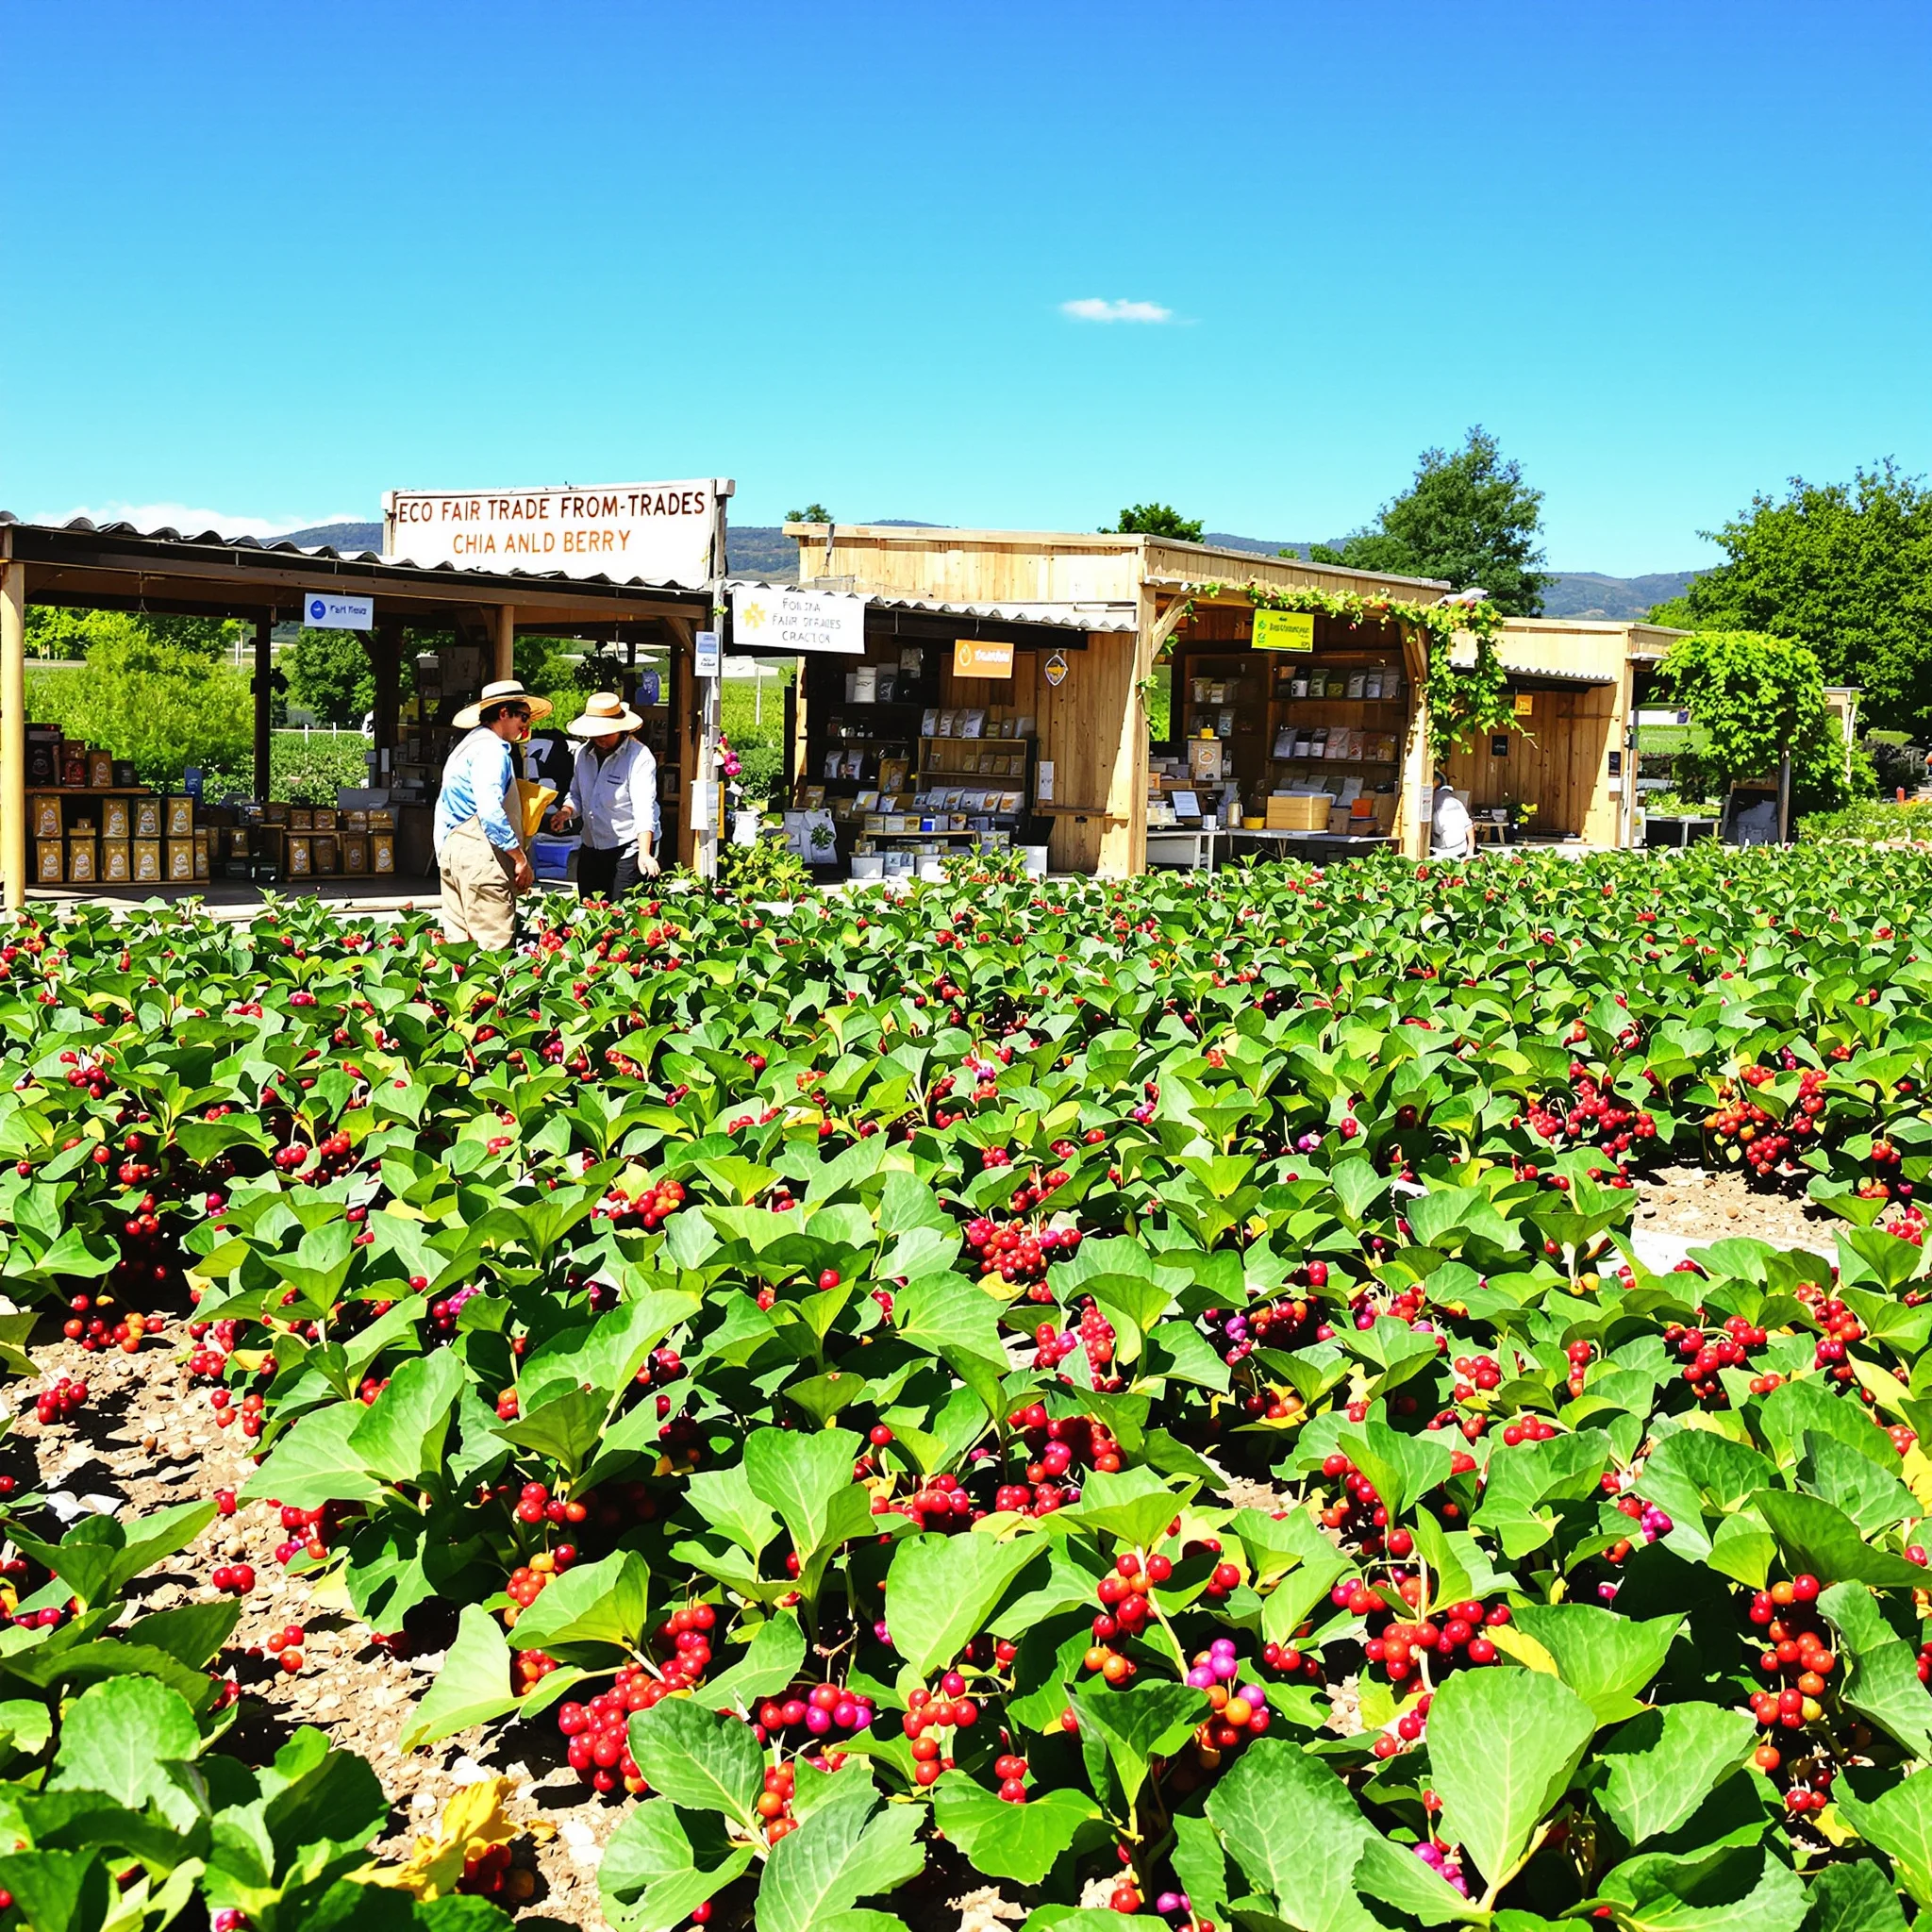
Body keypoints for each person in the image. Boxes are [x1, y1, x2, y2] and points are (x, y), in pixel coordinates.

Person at [434, 678, 551, 947]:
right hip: (483, 857)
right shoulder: (492, 751)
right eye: (523, 716)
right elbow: (489, 810)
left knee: (458, 949)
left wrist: (444, 855)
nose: (527, 724)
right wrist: (519, 858)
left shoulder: (466, 746)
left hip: (454, 852)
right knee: (493, 951)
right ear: (503, 713)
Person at [552, 691, 660, 899]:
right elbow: (576, 794)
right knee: (590, 908)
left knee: (623, 913)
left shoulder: (639, 757)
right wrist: (566, 812)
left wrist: (645, 854)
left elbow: (644, 809)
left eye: (606, 732)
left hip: (629, 845)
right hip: (592, 844)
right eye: (595, 732)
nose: (600, 737)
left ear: (621, 730)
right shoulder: (582, 754)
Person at [1430, 776, 1473, 858]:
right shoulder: (1457, 803)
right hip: (1456, 849)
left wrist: (1470, 849)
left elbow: (1468, 826)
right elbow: (1469, 826)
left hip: (1446, 851)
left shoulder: (1455, 803)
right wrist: (1470, 849)